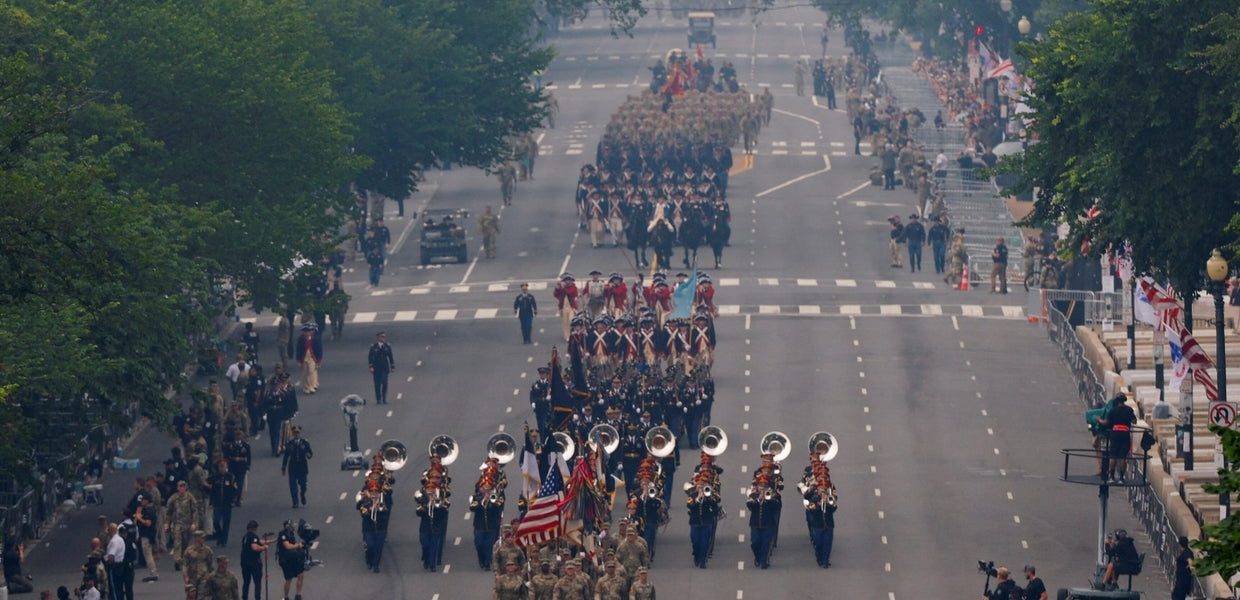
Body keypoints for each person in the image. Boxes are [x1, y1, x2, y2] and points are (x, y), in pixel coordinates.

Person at [1098, 394, 1135, 482]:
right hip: (1125, 434)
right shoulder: (1129, 409)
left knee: (1113, 456)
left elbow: (1107, 423)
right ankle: (1121, 478)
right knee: (1123, 457)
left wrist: (1099, 420)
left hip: (1115, 434)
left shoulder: (1113, 411)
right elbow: (1134, 420)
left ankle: (1111, 477)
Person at [206, 461, 238, 547]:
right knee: (216, 521)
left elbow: (235, 489)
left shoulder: (230, 476)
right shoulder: (215, 477)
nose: (222, 468)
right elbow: (207, 484)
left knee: (226, 523)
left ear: (226, 467)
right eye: (220, 467)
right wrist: (211, 500)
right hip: (217, 503)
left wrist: (234, 500)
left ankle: (223, 541)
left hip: (227, 503)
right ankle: (220, 534)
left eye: (223, 467)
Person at [281, 426, 313, 508]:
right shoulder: (290, 444)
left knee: (303, 485)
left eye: (297, 432)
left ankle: (302, 495)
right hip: (293, 467)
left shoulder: (305, 443)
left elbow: (310, 454)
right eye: (295, 433)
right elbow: (286, 456)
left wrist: (307, 454)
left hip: (302, 467)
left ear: (300, 433)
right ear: (292, 433)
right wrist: (283, 467)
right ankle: (295, 502)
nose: (296, 434)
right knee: (293, 485)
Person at [239, 521, 269, 600]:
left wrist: (271, 541)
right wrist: (264, 548)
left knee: (246, 582)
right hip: (254, 562)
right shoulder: (253, 536)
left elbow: (259, 542)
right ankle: (257, 598)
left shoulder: (245, 537)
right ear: (255, 528)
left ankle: (244, 597)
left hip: (244, 562)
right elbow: (255, 547)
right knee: (257, 583)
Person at [276, 521, 306, 600]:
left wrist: (300, 545)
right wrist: (298, 545)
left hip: (294, 558)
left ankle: (298, 595)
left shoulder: (291, 534)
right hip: (286, 560)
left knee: (301, 575)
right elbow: (288, 546)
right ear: (288, 526)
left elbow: (293, 544)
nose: (294, 527)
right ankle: (286, 597)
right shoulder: (283, 534)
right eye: (292, 526)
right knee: (289, 579)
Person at [367, 332, 395, 405]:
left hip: (385, 367)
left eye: (384, 337)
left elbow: (390, 356)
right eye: (382, 337)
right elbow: (370, 357)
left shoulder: (387, 346)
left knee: (385, 382)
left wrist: (392, 366)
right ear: (378, 338)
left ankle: (384, 398)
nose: (383, 338)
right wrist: (371, 367)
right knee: (377, 384)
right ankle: (378, 398)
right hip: (376, 367)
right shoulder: (373, 346)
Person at [294, 324, 322, 395]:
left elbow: (319, 350)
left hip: (312, 358)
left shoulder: (315, 339)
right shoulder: (301, 339)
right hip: (304, 358)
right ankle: (306, 387)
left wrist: (319, 360)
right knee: (306, 372)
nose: (306, 333)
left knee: (311, 371)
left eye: (308, 331)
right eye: (305, 331)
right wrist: (298, 360)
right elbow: (299, 350)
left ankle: (311, 386)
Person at [1172, 536, 1194, 600]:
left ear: (1180, 544)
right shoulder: (1186, 551)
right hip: (1181, 579)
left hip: (1183, 581)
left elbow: (1190, 561)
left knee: (1177, 597)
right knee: (1175, 595)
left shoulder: (1187, 552)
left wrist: (1190, 566)